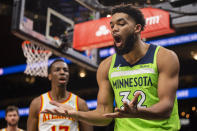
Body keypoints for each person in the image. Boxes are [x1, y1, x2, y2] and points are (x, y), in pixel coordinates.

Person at [42, 4, 181, 130]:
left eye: (121, 24)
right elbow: (104, 115)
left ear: (137, 28)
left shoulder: (164, 57)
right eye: (112, 25)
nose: (114, 29)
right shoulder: (106, 66)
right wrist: (76, 114)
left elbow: (166, 108)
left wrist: (138, 113)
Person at [27, 59, 93, 131]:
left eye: (65, 70)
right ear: (50, 76)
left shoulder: (80, 103)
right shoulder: (37, 103)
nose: (62, 72)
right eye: (57, 70)